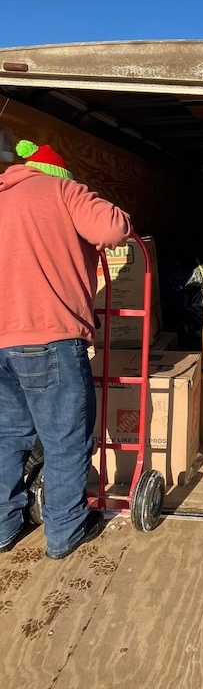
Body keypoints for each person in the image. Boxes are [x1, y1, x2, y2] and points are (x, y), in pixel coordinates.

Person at [0, 139, 132, 559]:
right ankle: (66, 528)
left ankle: (3, 527)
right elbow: (112, 228)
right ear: (61, 172)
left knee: (7, 437)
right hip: (49, 335)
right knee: (66, 438)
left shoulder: (2, 194)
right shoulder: (63, 191)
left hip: (2, 340)